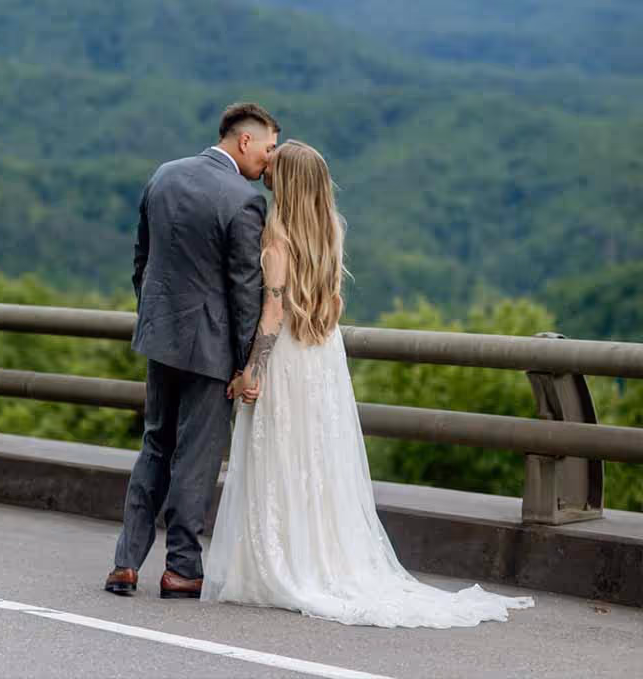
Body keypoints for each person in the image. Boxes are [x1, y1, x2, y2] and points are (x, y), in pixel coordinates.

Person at [202, 140, 535, 628]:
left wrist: (253, 369)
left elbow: (272, 313)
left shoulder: (276, 241)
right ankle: (322, 555)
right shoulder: (329, 232)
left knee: (281, 454)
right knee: (318, 457)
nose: (264, 172)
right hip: (322, 353)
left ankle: (284, 561)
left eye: (273, 168)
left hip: (289, 356)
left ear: (287, 182)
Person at [105, 102, 280, 599]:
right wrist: (248, 363)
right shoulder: (243, 200)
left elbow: (143, 258)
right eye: (267, 149)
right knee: (196, 458)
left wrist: (155, 315)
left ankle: (125, 562)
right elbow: (245, 289)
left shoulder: (164, 175)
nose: (268, 161)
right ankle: (181, 567)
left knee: (154, 445)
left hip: (160, 337)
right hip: (211, 349)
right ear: (243, 141)